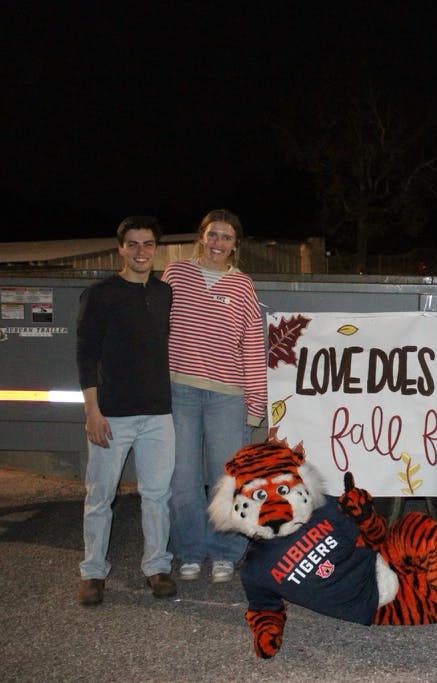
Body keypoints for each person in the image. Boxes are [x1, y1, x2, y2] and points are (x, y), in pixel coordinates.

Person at [163, 209, 267, 583]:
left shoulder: (242, 286)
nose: (218, 243)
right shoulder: (175, 274)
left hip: (227, 397)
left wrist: (255, 405)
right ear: (201, 237)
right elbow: (157, 331)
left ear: (235, 244)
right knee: (182, 479)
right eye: (212, 235)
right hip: (179, 394)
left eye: (226, 237)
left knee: (226, 480)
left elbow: (253, 345)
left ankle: (225, 552)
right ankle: (190, 550)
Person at [76, 216, 176, 605]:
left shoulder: (164, 292)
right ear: (120, 248)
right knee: (100, 496)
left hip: (157, 413)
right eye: (132, 244)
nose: (140, 251)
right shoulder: (100, 294)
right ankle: (92, 572)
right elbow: (86, 355)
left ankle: (157, 567)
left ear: (156, 249)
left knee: (157, 495)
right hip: (112, 414)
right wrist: (92, 411)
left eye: (147, 244)